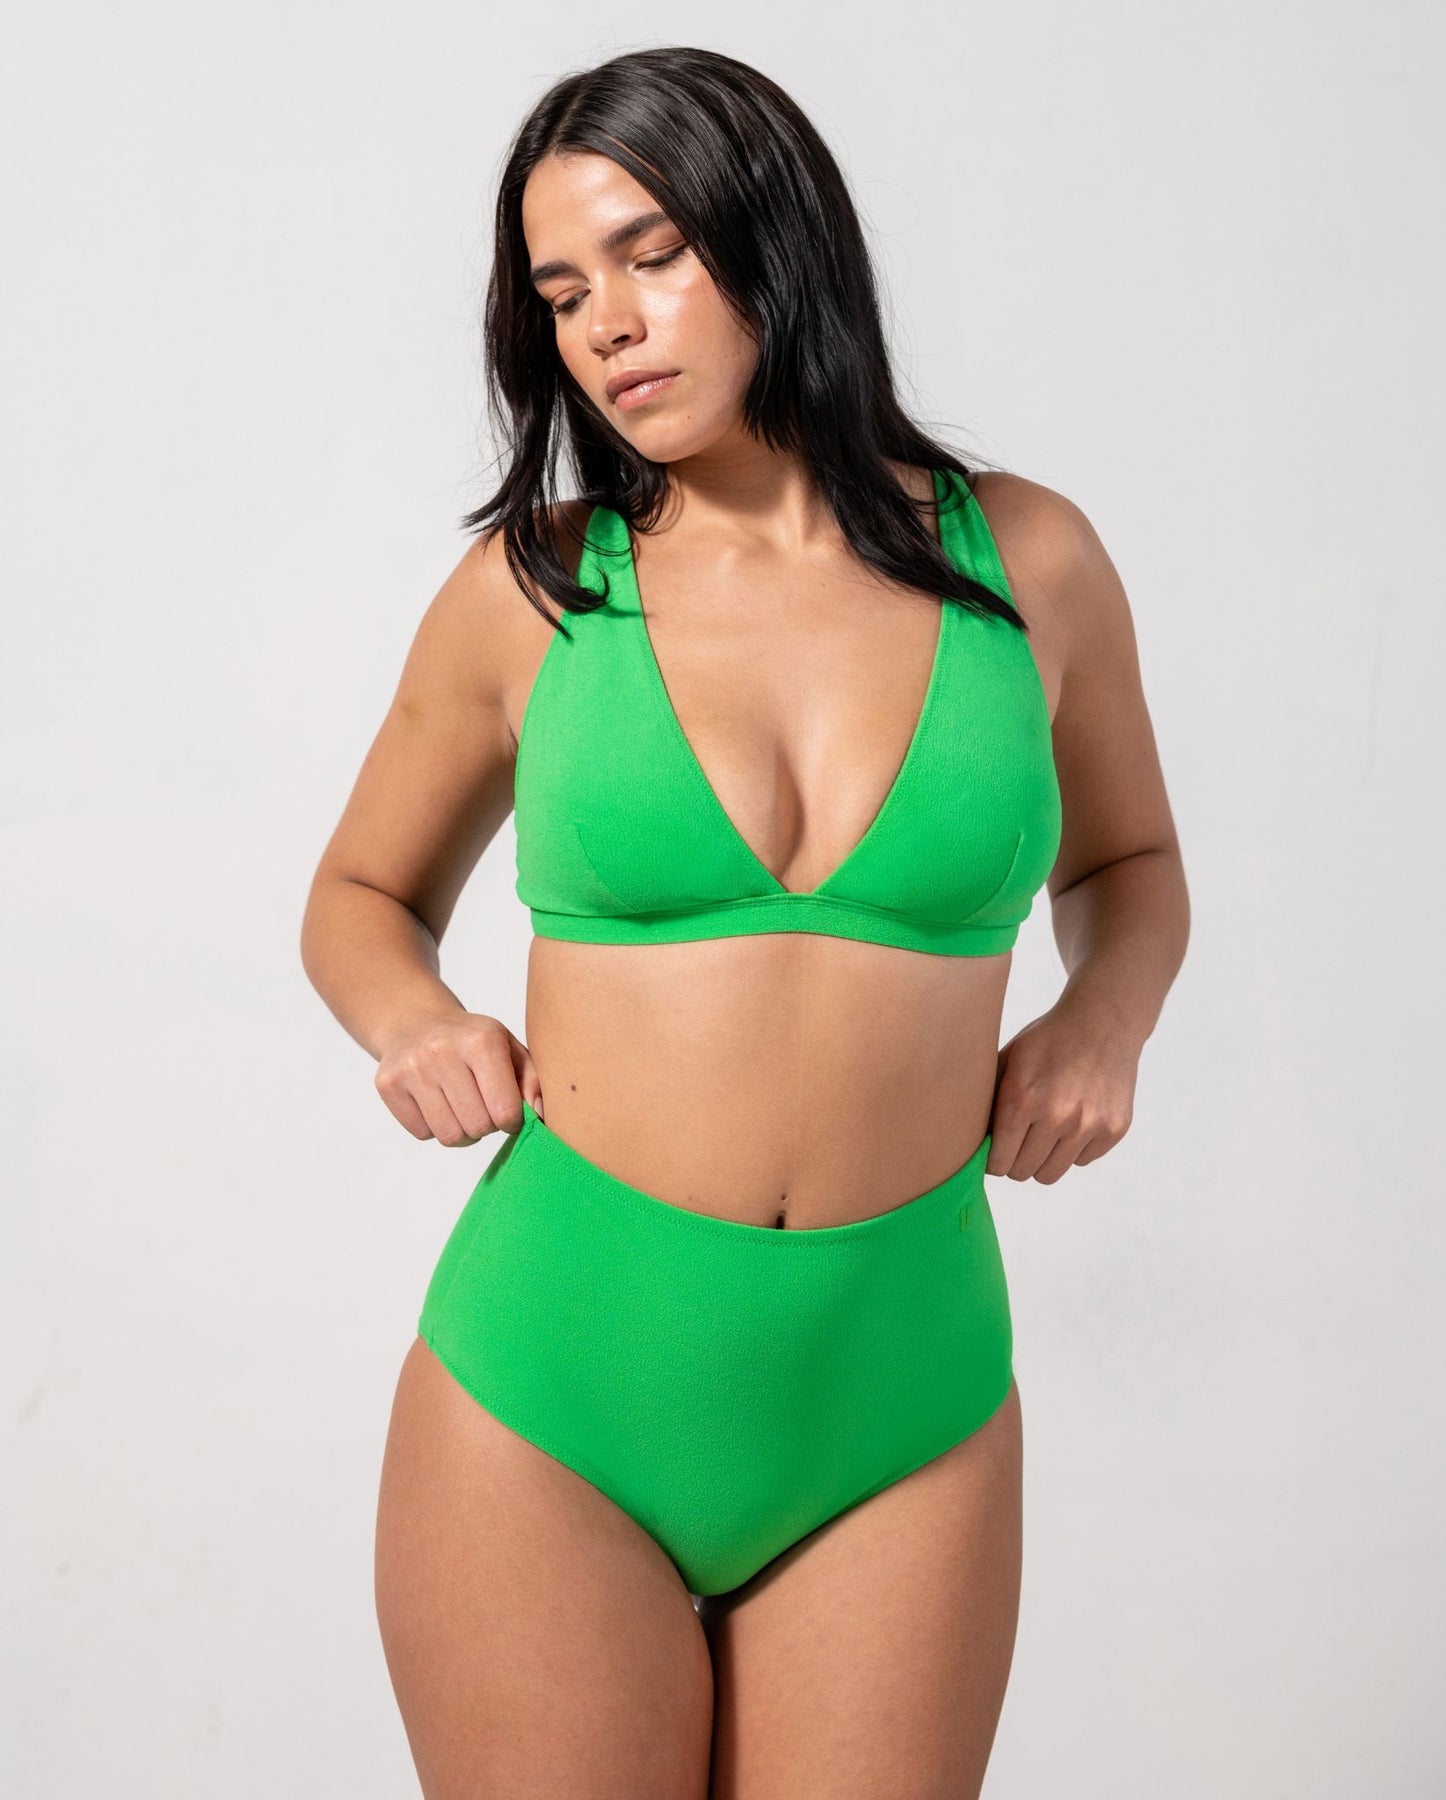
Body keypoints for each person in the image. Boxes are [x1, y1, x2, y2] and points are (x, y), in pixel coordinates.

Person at [300, 44, 1189, 1800]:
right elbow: (358, 896)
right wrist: (414, 1021)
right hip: (555, 1378)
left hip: (904, 1387)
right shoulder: (536, 589)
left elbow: (1130, 864)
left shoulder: (1032, 564)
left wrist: (1103, 1021)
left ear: (778, 239)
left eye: (650, 256)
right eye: (563, 293)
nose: (608, 327)